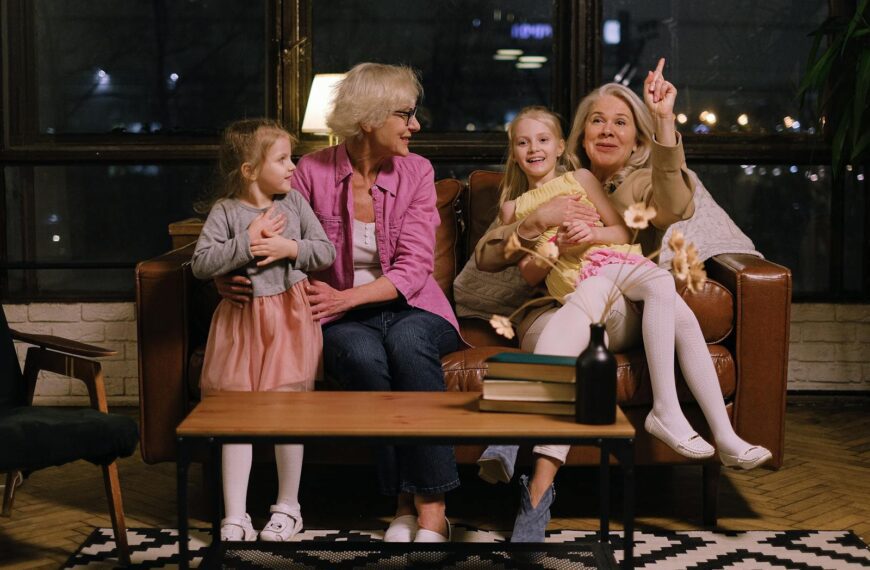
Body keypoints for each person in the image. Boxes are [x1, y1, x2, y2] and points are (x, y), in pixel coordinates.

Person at [471, 60, 772, 542]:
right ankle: (711, 432)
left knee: (642, 286)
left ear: (637, 140)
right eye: (596, 120)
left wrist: (664, 122)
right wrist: (537, 227)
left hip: (622, 302)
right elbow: (496, 257)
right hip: (569, 303)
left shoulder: (641, 181)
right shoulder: (549, 187)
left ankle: (517, 443)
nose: (607, 130)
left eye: (621, 123)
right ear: (579, 135)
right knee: (647, 296)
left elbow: (673, 206)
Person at [216, 63, 460, 543]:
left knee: (409, 344)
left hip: (412, 306)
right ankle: (400, 503)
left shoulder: (418, 171)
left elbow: (414, 269)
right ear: (369, 119)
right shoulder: (312, 171)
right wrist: (229, 276)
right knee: (357, 356)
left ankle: (430, 508)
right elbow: (273, 237)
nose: (415, 125)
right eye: (405, 114)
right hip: (341, 315)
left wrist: (346, 298)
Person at [191, 119, 336, 542]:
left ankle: (288, 507)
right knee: (237, 416)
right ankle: (235, 515)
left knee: (287, 414)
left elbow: (324, 251)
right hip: (240, 323)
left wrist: (290, 248)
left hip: (290, 322)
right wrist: (249, 240)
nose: (293, 167)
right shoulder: (226, 212)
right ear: (249, 170)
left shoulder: (294, 206)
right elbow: (202, 264)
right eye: (282, 159)